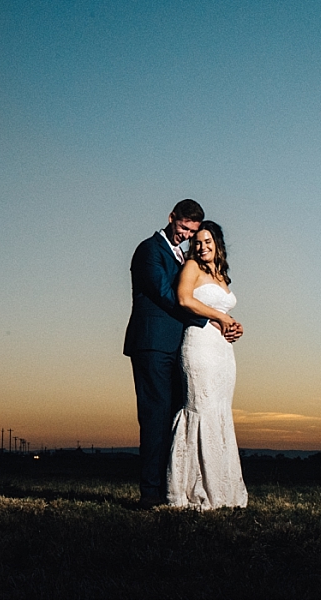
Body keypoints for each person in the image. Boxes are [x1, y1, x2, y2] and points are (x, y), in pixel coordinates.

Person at [123, 199, 212, 508]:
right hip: (152, 344)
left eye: (192, 232)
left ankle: (169, 489)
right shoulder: (149, 250)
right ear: (171, 218)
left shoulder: (181, 256)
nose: (186, 235)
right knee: (154, 418)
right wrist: (208, 320)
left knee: (173, 418)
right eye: (183, 228)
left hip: (176, 347)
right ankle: (150, 494)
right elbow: (164, 294)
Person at [165, 220, 248, 509]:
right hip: (199, 346)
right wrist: (223, 319)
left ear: (218, 243)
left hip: (223, 351)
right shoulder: (192, 268)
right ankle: (191, 488)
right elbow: (184, 300)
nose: (201, 247)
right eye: (197, 242)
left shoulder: (222, 275)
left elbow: (221, 312)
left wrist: (233, 326)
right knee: (201, 409)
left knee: (220, 412)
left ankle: (223, 490)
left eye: (207, 241)